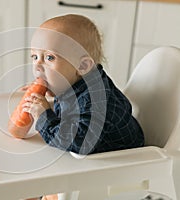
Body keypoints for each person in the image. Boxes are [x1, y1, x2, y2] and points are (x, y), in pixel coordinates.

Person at [22, 14, 144, 200]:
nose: (38, 65)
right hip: (91, 156)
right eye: (34, 56)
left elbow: (78, 141)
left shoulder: (96, 101)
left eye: (49, 57)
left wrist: (44, 116)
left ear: (83, 65)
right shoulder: (76, 81)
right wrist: (52, 93)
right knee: (34, 180)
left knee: (52, 190)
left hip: (116, 169)